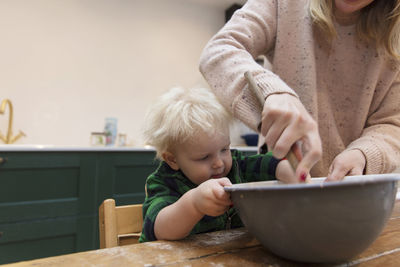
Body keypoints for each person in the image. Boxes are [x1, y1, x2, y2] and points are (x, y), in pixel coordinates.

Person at [199, 0, 400, 181]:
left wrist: (364, 154)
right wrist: (271, 92)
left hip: (356, 196)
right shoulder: (285, 4)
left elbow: (392, 123)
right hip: (280, 190)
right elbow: (219, 50)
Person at [138, 86, 296, 242]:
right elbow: (158, 229)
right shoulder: (164, 182)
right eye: (204, 157)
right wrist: (193, 204)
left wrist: (285, 168)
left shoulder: (236, 166)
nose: (219, 163)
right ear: (172, 160)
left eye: (224, 149)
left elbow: (267, 163)